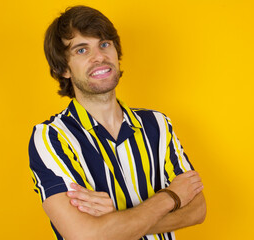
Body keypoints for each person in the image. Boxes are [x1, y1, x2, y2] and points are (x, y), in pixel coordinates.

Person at [29, 5, 206, 240]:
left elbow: (198, 210)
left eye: (104, 44)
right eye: (82, 50)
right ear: (63, 69)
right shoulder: (52, 137)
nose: (99, 57)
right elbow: (85, 236)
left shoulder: (157, 124)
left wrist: (116, 220)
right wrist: (171, 197)